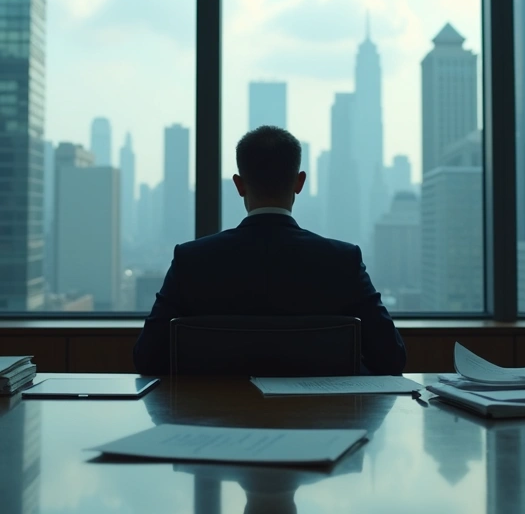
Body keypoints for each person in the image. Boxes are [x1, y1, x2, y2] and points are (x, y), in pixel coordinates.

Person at [133, 125, 407, 375]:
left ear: (239, 185)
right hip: (323, 423)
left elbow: (147, 359)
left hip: (215, 422)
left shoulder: (190, 260)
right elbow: (391, 359)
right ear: (300, 182)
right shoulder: (343, 261)